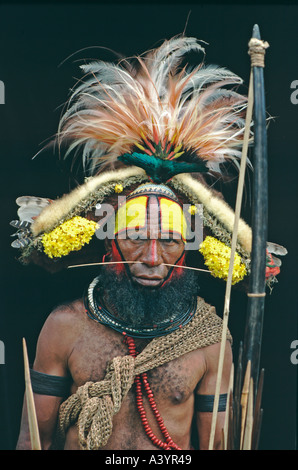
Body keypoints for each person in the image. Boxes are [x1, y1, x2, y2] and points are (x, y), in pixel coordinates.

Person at [13, 36, 281, 450]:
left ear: (192, 246)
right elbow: (34, 440)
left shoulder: (211, 341)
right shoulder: (63, 327)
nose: (153, 258)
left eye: (170, 240)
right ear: (108, 240)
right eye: (136, 237)